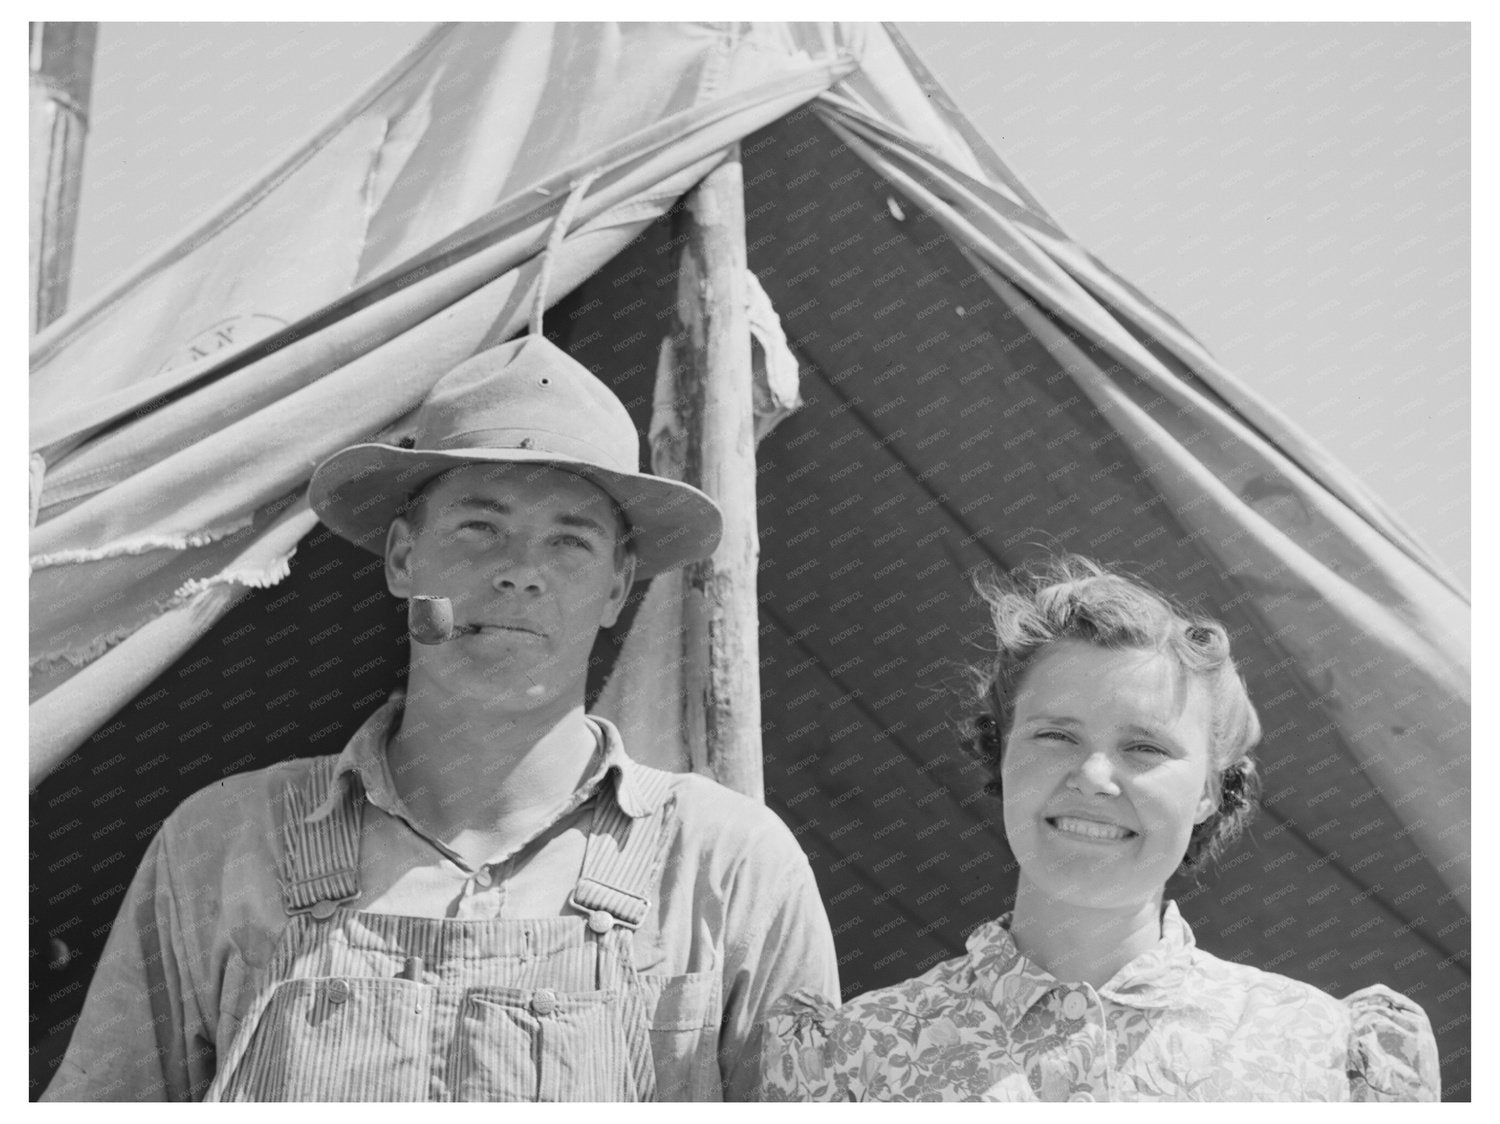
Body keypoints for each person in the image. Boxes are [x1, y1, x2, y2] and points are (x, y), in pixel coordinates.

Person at [44, 335, 838, 1102]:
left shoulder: (726, 869)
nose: (521, 571)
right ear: (401, 558)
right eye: (479, 528)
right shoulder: (224, 846)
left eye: (570, 541)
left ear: (616, 588)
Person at [761, 555, 1438, 1102]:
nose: (1092, 775)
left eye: (1145, 747)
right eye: (1056, 734)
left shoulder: (1321, 1052)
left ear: (1208, 791)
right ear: (1002, 754)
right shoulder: (850, 1058)